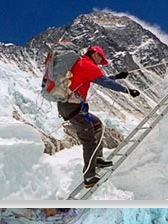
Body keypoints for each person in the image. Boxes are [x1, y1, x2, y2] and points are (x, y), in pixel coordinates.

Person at [57, 45, 140, 187]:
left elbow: (96, 78)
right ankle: (89, 176)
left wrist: (117, 77)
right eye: (101, 58)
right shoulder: (87, 65)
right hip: (73, 107)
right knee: (88, 141)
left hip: (71, 106)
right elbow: (103, 82)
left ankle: (97, 159)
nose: (100, 62)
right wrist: (127, 90)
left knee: (96, 124)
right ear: (95, 54)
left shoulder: (81, 63)